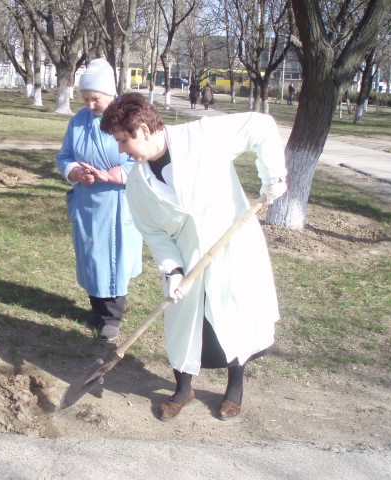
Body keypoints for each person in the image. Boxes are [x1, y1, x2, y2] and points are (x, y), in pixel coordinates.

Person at [99, 93, 287, 421]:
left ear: (142, 130)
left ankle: (235, 388)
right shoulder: (138, 184)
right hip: (187, 262)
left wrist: (273, 175)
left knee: (234, 317)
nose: (121, 150)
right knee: (183, 324)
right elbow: (155, 234)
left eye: (122, 140)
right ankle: (183, 390)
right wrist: (172, 270)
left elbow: (261, 126)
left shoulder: (202, 136)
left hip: (232, 249)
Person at [56, 59, 143, 341]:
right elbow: (64, 156)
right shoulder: (78, 121)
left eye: (96, 98)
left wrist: (116, 174)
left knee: (114, 257)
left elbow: (141, 157)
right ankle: (96, 307)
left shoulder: (127, 119)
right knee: (91, 256)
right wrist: (76, 172)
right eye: (85, 99)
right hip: (86, 202)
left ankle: (112, 317)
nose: (90, 104)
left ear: (110, 93)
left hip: (117, 202)